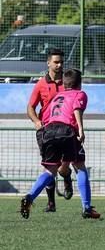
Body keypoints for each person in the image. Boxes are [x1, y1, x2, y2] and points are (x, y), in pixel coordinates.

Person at [20, 69, 100, 220]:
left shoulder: (57, 96)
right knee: (80, 166)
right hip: (67, 131)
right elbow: (77, 109)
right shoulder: (80, 94)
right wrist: (81, 129)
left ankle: (30, 197)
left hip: (49, 131)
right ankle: (87, 207)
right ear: (79, 83)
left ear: (64, 83)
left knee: (50, 170)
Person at [26, 48, 74, 212]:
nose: (59, 65)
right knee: (49, 167)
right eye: (56, 62)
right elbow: (30, 107)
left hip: (66, 130)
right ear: (48, 63)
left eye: (61, 62)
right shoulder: (41, 84)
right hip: (46, 130)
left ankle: (66, 176)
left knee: (62, 168)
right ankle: (51, 202)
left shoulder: (67, 82)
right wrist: (37, 121)